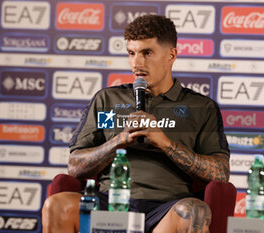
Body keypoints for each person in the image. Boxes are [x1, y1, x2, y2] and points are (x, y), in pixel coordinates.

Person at [42, 14, 230, 233]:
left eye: (147, 53)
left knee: (193, 211)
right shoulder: (107, 100)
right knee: (56, 205)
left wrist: (165, 143)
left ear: (171, 55)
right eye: (131, 53)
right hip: (109, 203)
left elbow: (220, 173)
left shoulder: (200, 107)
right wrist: (119, 141)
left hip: (166, 210)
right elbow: (74, 166)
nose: (136, 63)